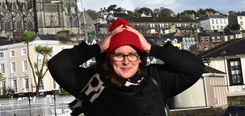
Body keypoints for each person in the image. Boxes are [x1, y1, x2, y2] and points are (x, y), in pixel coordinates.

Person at [48, 18, 204, 116]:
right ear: (109, 58)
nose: (126, 61)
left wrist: (151, 47)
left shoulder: (156, 79)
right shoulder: (93, 82)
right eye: (118, 55)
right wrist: (99, 47)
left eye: (132, 54)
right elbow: (57, 65)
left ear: (140, 58)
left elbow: (194, 68)